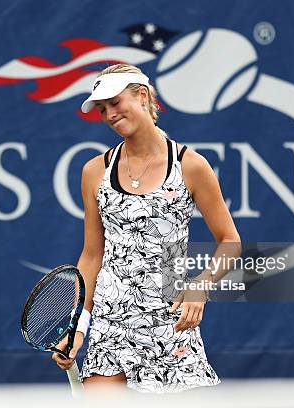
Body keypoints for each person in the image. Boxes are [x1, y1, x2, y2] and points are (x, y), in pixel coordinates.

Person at [52, 64, 241, 393]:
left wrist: (200, 287)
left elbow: (230, 242)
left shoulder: (191, 166)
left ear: (142, 96)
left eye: (115, 102)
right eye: (102, 109)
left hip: (169, 326)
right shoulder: (94, 171)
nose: (110, 114)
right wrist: (78, 326)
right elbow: (92, 254)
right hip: (110, 328)